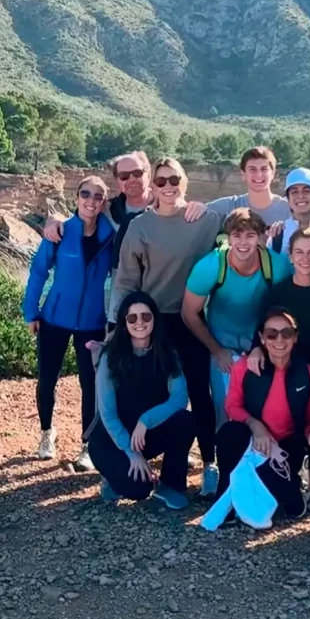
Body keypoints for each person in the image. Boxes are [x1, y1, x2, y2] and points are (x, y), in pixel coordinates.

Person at [110, 157, 222, 495]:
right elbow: (127, 282)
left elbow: (241, 226)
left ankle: (209, 464)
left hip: (192, 320)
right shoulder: (140, 227)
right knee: (150, 391)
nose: (168, 186)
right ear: (153, 187)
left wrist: (204, 205)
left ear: (184, 182)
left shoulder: (205, 219)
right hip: (151, 322)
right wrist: (119, 327)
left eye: (174, 179)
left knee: (200, 393)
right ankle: (132, 460)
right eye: (161, 181)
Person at [246, 226, 310, 515]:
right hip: (293, 370)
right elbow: (262, 329)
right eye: (299, 252)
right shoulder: (278, 292)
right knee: (300, 423)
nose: (305, 258)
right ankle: (293, 475)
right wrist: (256, 348)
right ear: (290, 256)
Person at [23, 176, 115, 467]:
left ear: (104, 202)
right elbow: (39, 272)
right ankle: (47, 432)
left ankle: (87, 446)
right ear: (77, 197)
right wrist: (31, 312)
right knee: (47, 378)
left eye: (98, 196)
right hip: (54, 318)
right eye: (85, 194)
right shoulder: (61, 232)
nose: (91, 200)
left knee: (90, 384)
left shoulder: (110, 236)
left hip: (92, 322)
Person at [182, 208, 293, 448]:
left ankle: (267, 461)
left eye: (250, 235)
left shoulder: (276, 265)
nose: (243, 243)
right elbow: (189, 313)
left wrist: (263, 347)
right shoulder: (212, 266)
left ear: (261, 237)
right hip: (221, 341)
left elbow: (286, 311)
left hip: (262, 341)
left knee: (268, 401)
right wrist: (217, 350)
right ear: (228, 237)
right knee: (226, 404)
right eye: (237, 235)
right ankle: (224, 465)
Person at [88, 292, 196, 508]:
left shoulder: (167, 354)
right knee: (138, 490)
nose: (140, 323)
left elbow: (179, 398)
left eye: (146, 317)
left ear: (155, 319)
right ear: (124, 323)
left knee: (186, 420)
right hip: (112, 440)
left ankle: (170, 485)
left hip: (145, 434)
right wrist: (131, 453)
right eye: (132, 318)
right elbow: (107, 413)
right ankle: (112, 476)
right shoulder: (110, 357)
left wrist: (146, 420)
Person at [216, 308, 310, 520]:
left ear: (295, 337)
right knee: (229, 432)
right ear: (262, 339)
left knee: (291, 508)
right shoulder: (243, 368)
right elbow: (232, 407)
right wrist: (257, 427)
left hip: (284, 447)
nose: (279, 340)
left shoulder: (309, 374)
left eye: (286, 333)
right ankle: (225, 499)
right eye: (271, 334)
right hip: (252, 442)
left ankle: (289, 487)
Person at [42, 152, 157, 310]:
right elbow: (79, 218)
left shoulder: (164, 208)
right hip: (119, 302)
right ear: (117, 181)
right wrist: (54, 218)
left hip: (160, 299)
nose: (131, 179)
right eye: (124, 176)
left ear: (148, 174)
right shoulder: (109, 209)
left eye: (137, 173)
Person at [185, 146, 291, 226]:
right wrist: (199, 206)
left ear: (273, 174)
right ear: (243, 174)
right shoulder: (230, 206)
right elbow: (204, 209)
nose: (258, 175)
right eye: (252, 169)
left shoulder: (288, 210)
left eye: (264, 169)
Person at [269, 168, 310, 274]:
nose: (300, 196)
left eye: (306, 191)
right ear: (287, 198)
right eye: (294, 192)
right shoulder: (278, 235)